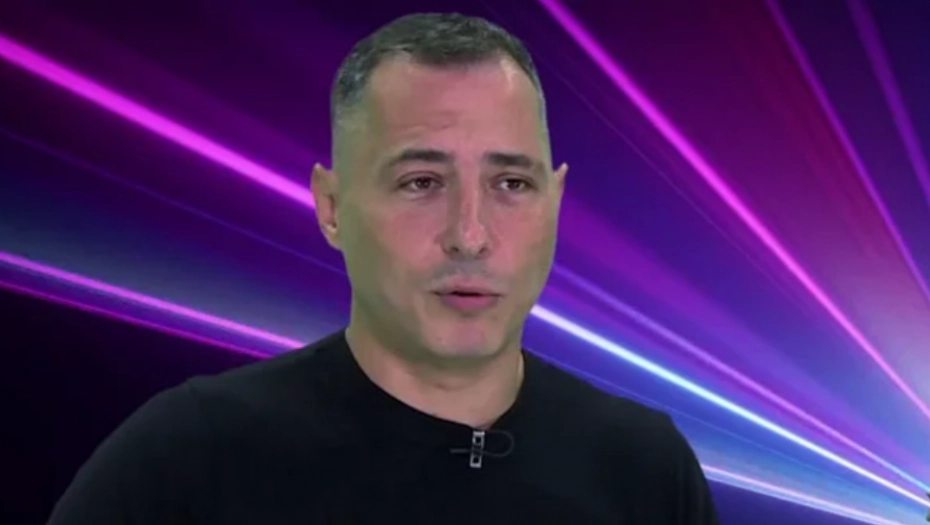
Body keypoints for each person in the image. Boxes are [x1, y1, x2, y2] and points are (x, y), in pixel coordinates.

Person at [48, 12, 719, 524]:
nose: (470, 235)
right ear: (332, 207)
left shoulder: (644, 470)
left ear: (555, 202)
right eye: (421, 182)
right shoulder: (186, 460)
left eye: (512, 184)